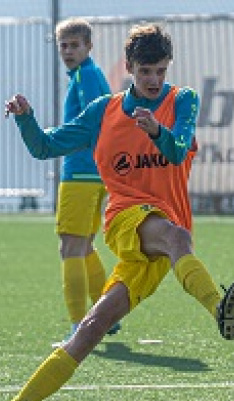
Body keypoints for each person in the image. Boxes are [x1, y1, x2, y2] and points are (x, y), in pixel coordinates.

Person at [0, 23, 234, 401]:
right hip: (127, 219)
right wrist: (26, 119)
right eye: (145, 71)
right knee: (176, 236)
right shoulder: (104, 111)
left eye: (160, 71)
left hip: (164, 238)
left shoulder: (182, 100)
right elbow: (45, 146)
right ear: (129, 67)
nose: (154, 80)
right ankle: (219, 309)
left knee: (92, 328)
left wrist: (156, 130)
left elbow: (175, 148)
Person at [53, 18, 118, 346]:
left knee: (69, 247)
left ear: (88, 47)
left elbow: (97, 120)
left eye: (74, 45)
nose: (67, 51)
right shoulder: (86, 74)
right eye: (63, 45)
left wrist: (55, 139)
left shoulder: (86, 75)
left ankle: (80, 326)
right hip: (93, 173)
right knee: (85, 246)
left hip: (80, 171)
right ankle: (107, 317)